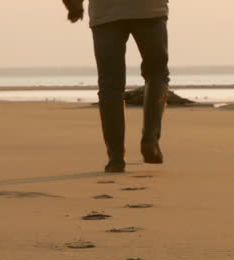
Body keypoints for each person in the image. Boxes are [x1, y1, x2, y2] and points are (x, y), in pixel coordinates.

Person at [62, 0, 170, 173]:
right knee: (156, 74)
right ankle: (150, 140)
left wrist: (74, 7)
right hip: (149, 10)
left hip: (105, 13)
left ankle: (116, 158)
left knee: (110, 85)